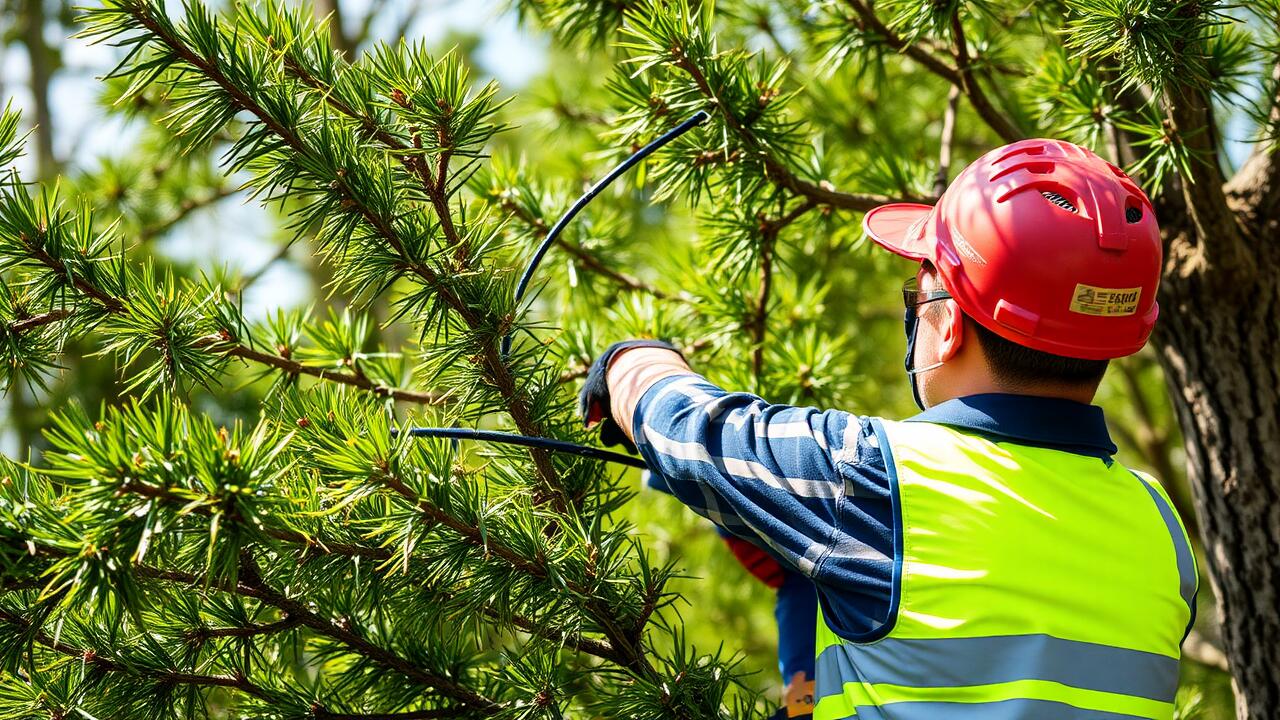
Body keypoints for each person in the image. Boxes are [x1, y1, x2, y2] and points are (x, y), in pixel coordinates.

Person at [579, 138, 1197, 719]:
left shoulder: (876, 477)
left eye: (918, 290)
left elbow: (689, 431)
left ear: (947, 322)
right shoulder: (1160, 526)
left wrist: (631, 362)